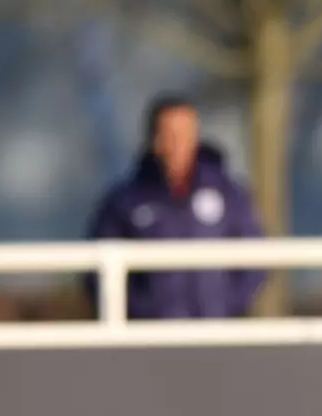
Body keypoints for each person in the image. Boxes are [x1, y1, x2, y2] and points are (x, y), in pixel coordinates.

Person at [86, 94, 266, 319]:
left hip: (215, 331)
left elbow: (256, 257)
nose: (179, 144)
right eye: (171, 135)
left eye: (186, 134)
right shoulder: (126, 202)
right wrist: (143, 312)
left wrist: (227, 304)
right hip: (153, 337)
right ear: (155, 140)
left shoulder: (229, 194)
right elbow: (98, 271)